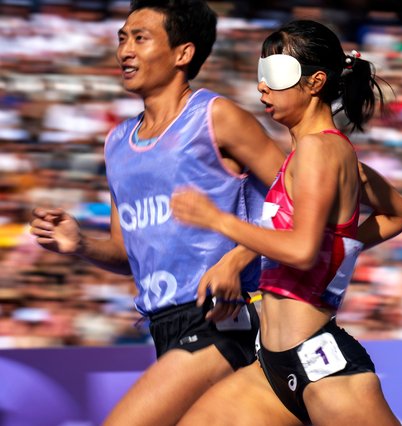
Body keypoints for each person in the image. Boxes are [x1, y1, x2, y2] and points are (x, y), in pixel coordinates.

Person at [29, 0, 286, 424]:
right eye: (122, 38)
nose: (124, 50)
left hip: (225, 318)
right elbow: (126, 253)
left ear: (183, 54)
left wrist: (238, 258)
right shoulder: (116, 143)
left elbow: (300, 201)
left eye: (140, 38)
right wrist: (80, 246)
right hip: (163, 327)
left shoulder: (216, 117)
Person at [171, 20, 402, 426]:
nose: (262, 87)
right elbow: (399, 213)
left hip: (323, 369)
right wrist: (337, 248)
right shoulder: (329, 154)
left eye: (276, 75)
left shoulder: (319, 150)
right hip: (271, 367)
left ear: (316, 82)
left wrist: (218, 221)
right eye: (261, 74)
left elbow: (301, 251)